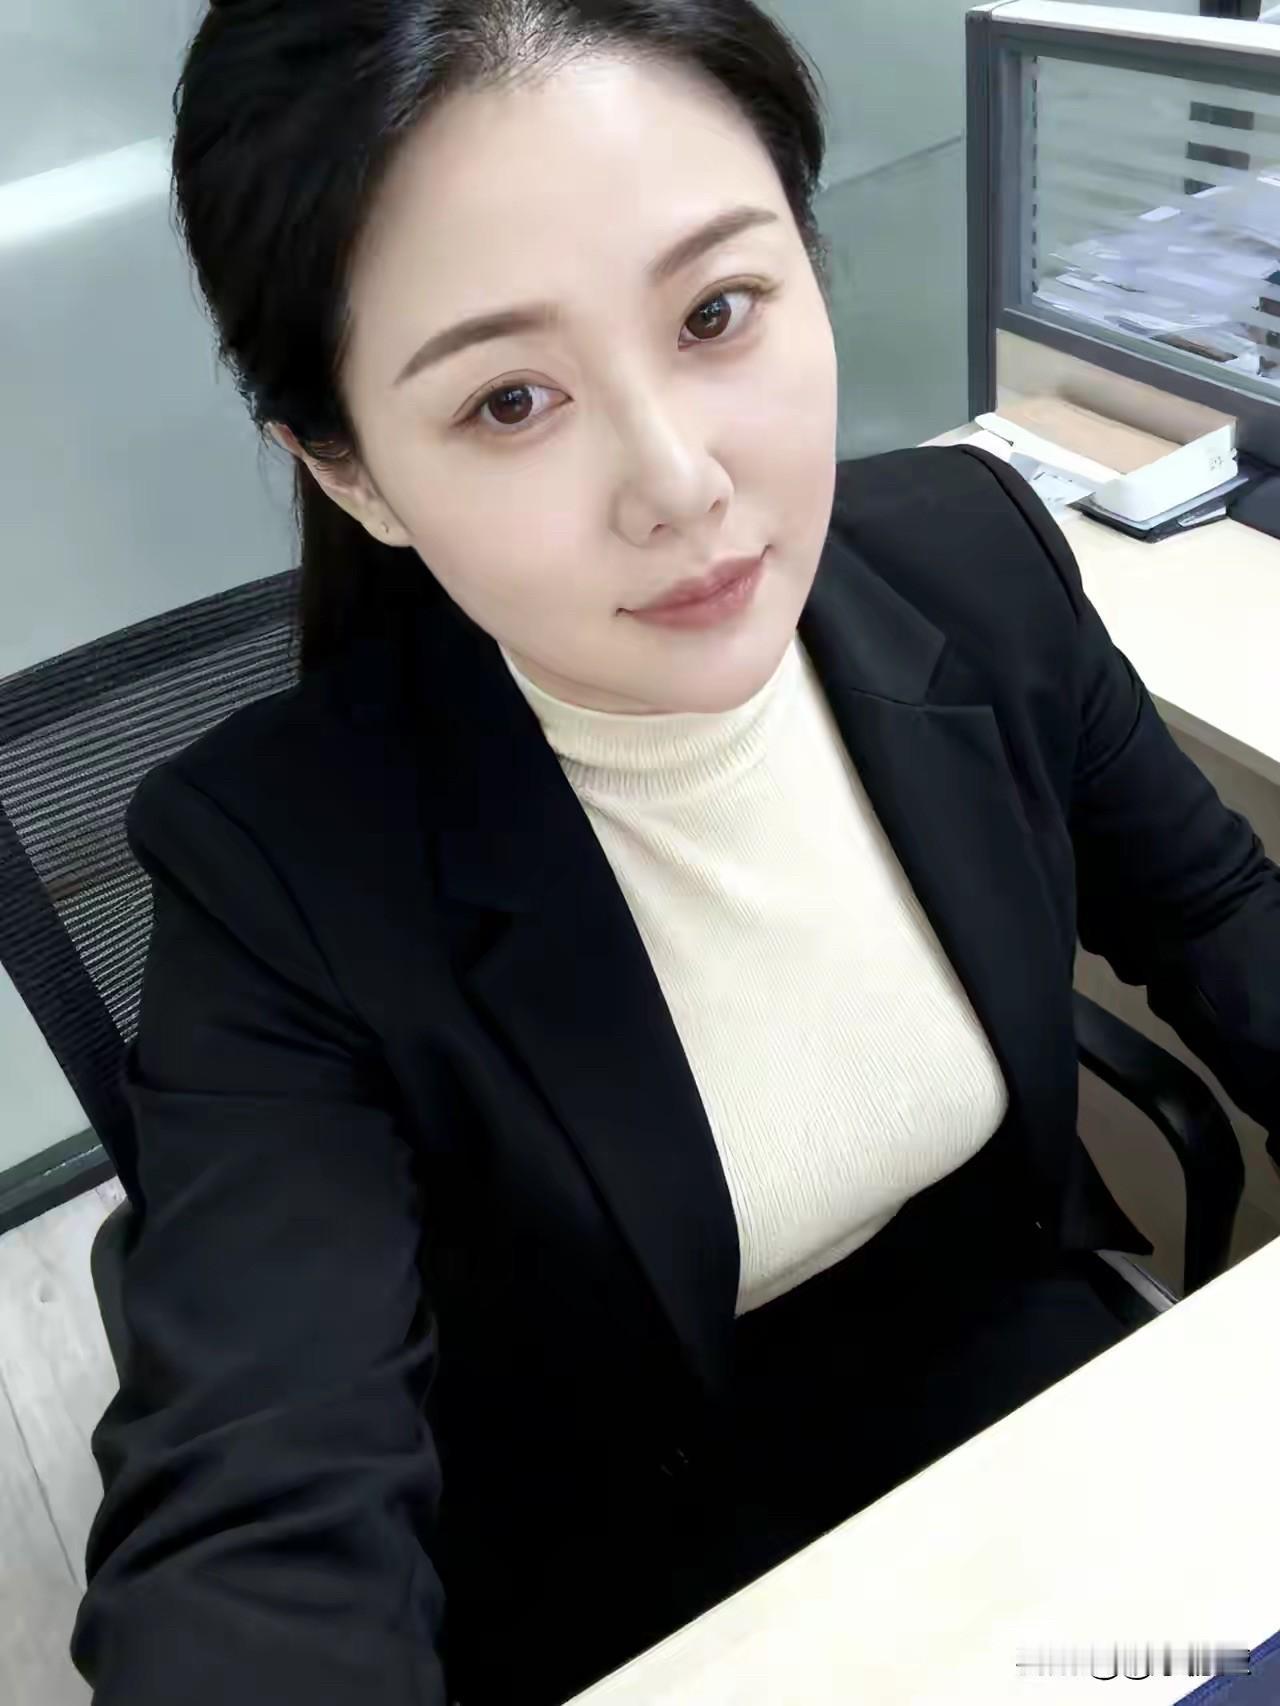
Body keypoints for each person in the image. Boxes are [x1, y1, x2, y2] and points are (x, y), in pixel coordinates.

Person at [72, 2, 1280, 1702]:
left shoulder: (978, 560)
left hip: (1023, 1426)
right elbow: (255, 1497)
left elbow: (1222, 912)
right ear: (353, 476)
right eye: (509, 400)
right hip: (625, 1557)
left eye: (718, 311)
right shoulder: (273, 869)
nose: (681, 481)